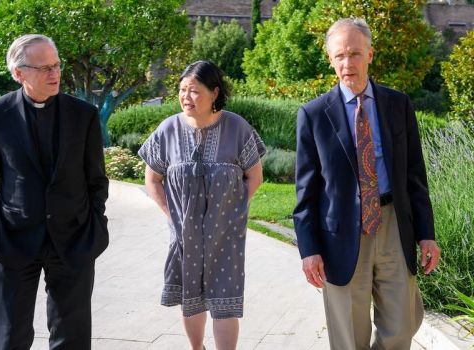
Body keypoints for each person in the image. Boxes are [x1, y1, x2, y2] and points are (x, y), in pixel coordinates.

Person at [293, 18, 441, 350]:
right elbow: (306, 191)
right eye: (340, 55)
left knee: (403, 324)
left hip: (392, 225)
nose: (348, 64)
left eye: (355, 54)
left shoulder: (397, 104)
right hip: (341, 233)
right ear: (330, 59)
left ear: (370, 55)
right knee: (348, 334)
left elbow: (415, 175)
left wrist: (426, 234)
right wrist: (309, 249)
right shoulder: (314, 114)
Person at [0, 34, 109, 350]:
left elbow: (97, 181)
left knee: (71, 340)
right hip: (13, 241)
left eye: (56, 65)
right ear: (19, 73)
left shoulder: (83, 115)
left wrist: (93, 225)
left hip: (73, 242)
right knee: (8, 339)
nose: (55, 73)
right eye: (44, 67)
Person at [138, 60, 265, 350]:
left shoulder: (237, 128)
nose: (186, 97)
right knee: (190, 295)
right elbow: (153, 180)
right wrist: (172, 217)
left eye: (194, 91)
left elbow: (255, 176)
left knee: (225, 298)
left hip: (227, 232)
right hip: (184, 232)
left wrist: (233, 212)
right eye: (182, 90)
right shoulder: (167, 129)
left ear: (214, 92)